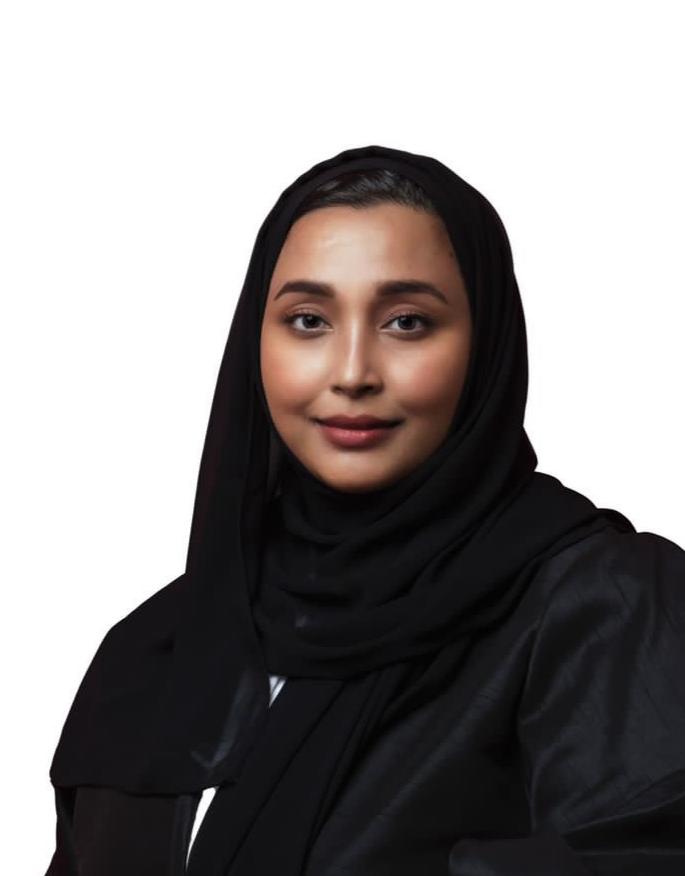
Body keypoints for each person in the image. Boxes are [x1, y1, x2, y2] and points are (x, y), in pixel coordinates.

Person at [45, 144, 685, 875]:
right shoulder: (160, 646)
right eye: (308, 320)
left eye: (407, 322)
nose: (352, 373)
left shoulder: (603, 608)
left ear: (485, 346)